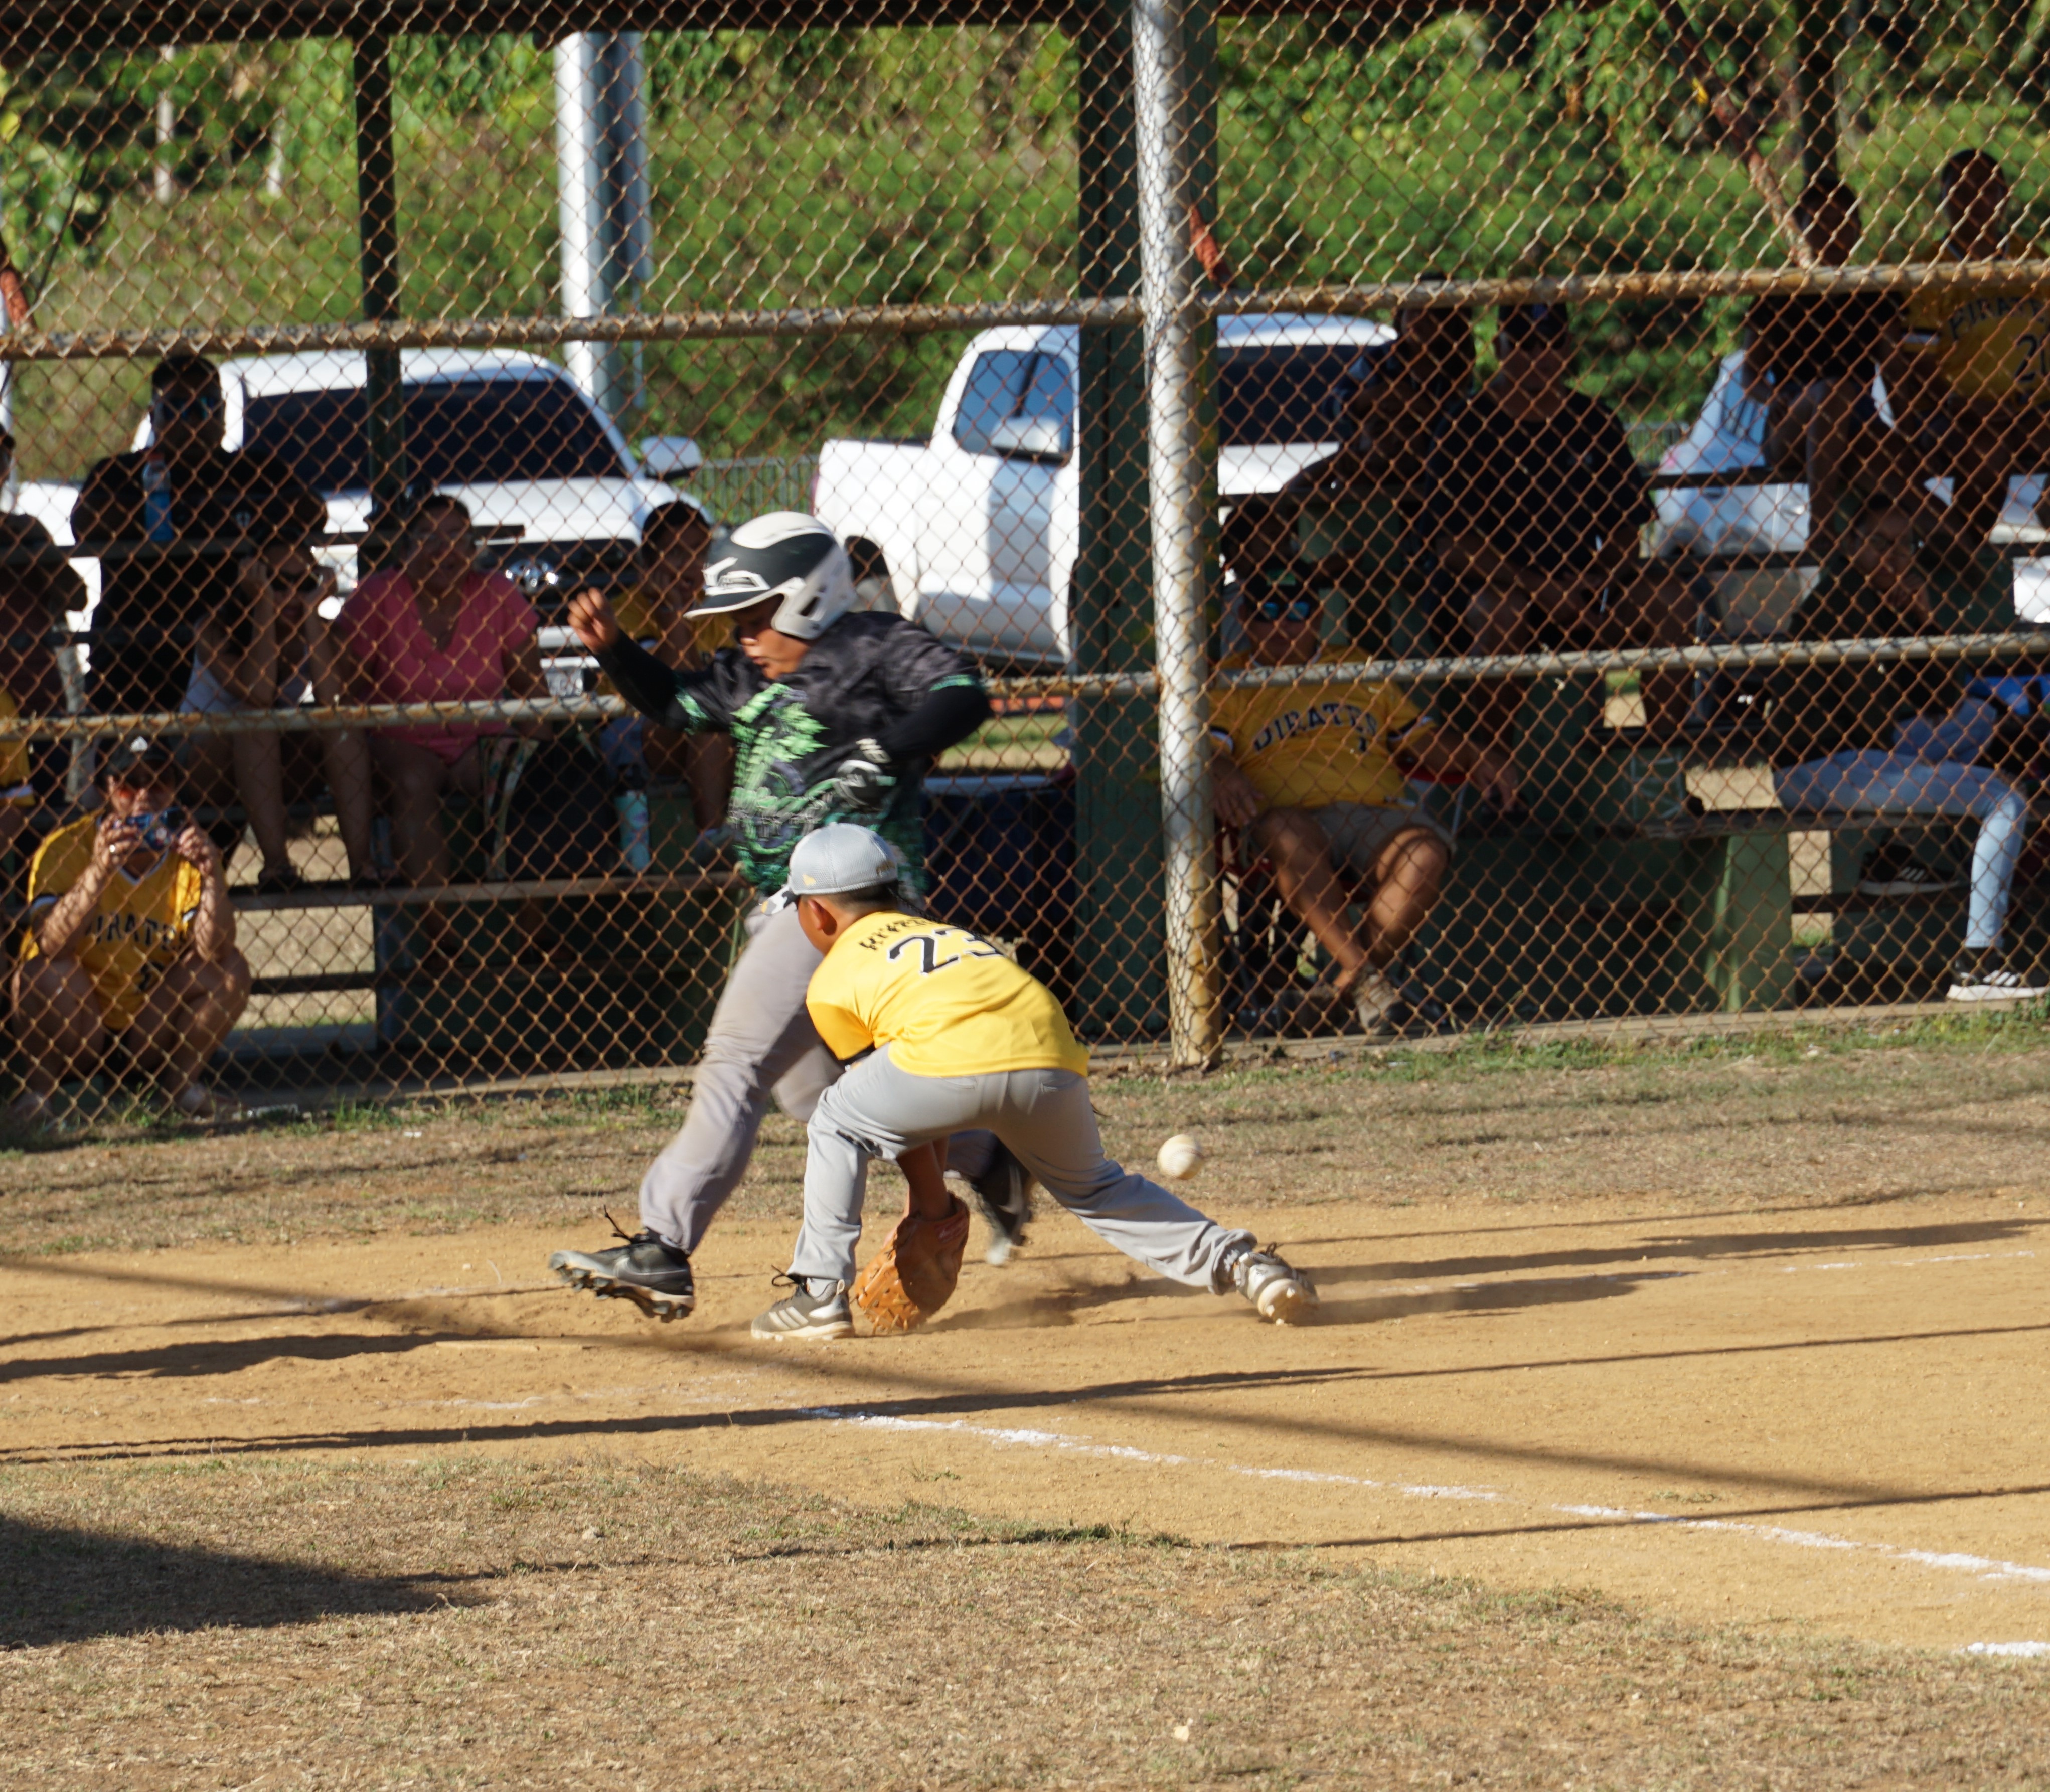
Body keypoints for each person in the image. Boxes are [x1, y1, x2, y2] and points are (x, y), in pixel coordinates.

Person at [546, 512, 1026, 1320]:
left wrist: (890, 748)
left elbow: (960, 696)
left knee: (735, 1058)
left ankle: (663, 1246)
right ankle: (987, 1154)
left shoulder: (871, 645)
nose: (743, 636)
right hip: (788, 910)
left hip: (847, 907)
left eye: (755, 615)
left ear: (808, 599)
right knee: (823, 1096)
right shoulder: (750, 675)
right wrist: (615, 651)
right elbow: (672, 704)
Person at [747, 824, 1319, 1340]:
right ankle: (1246, 1266)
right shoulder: (944, 936)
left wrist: (932, 1211)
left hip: (947, 1062)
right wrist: (931, 1207)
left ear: (817, 915)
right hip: (1049, 1052)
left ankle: (819, 1293)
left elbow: (894, 1111)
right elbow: (913, 1097)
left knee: (833, 1121)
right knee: (1096, 1188)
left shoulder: (831, 981)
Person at [1211, 513, 1516, 1037]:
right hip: (1285, 818)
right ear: (1244, 617)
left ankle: (1345, 987)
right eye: (1268, 612)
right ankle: (1364, 986)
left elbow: (1417, 741)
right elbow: (1205, 749)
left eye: (1299, 609)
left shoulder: (1355, 667)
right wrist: (1217, 771)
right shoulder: (1230, 682)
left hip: (1374, 811)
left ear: (1319, 618)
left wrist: (1474, 754)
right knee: (1288, 833)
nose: (1285, 623)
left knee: (1423, 855)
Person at [1769, 493, 2043, 1004]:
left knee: (1984, 720)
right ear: (1852, 545)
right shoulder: (1842, 600)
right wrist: (1944, 744)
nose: (1893, 557)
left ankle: (1889, 859)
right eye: (1878, 543)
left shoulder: (1883, 599)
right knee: (2002, 797)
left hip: (1861, 757)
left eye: (1903, 545)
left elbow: (1939, 701)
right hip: (1821, 766)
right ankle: (1977, 964)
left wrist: (1921, 621)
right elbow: (1875, 719)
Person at [1427, 302, 1691, 750]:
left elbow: (1627, 529)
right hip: (1494, 595)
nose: (1538, 355)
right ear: (1499, 349)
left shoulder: (1593, 420)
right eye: (1523, 344)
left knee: (1669, 597)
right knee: (1501, 612)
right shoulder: (1464, 424)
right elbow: (1452, 544)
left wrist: (1593, 581)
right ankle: (1495, 777)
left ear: (1567, 347)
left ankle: (1662, 770)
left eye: (1549, 342)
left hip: (1580, 592)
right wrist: (1537, 587)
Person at [10, 734, 249, 1127]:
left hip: (148, 1026)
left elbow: (216, 949)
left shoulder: (187, 851)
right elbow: (50, 943)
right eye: (128, 784)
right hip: (81, 1021)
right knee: (41, 971)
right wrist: (100, 871)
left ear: (174, 789)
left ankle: (178, 1090)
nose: (144, 797)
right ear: (108, 789)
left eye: (158, 783)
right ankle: (41, 1096)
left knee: (232, 969)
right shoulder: (68, 846)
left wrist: (212, 879)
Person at [329, 493, 544, 898]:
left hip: (481, 739)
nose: (443, 549)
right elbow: (339, 688)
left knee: (526, 776)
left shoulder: (497, 593)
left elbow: (532, 689)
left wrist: (544, 751)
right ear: (407, 547)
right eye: (427, 537)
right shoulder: (379, 595)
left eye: (456, 537)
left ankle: (533, 926)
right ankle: (439, 936)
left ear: (472, 548)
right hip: (401, 738)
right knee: (413, 782)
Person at [73, 352, 307, 715]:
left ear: (223, 411)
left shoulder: (253, 470)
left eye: (206, 405)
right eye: (178, 407)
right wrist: (153, 510)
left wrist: (229, 510)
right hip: (134, 653)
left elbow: (312, 512)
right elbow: (84, 523)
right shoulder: (123, 473)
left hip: (229, 651)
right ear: (155, 415)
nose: (194, 420)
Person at [180, 480, 378, 891]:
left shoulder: (317, 630)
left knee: (340, 724)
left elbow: (330, 699)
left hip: (268, 766)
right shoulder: (215, 628)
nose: (290, 593)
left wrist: (311, 611)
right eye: (277, 581)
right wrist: (266, 605)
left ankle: (363, 864)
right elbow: (259, 692)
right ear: (253, 578)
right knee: (257, 720)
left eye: (301, 582)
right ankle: (277, 866)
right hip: (206, 763)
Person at [1893, 150, 2050, 557]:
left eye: (1985, 190)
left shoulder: (2031, 261)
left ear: (2003, 197)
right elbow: (1918, 363)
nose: (1973, 201)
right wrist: (1956, 406)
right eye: (1960, 191)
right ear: (1944, 199)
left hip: (2033, 407)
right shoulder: (1931, 269)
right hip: (1962, 409)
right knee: (1986, 455)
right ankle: (1964, 558)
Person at [1743, 172, 1904, 563]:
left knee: (1904, 485)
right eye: (1820, 222)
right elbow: (1749, 372)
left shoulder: (1871, 291)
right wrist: (1772, 395)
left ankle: (1964, 560)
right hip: (1794, 423)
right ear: (1799, 228)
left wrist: (1907, 424)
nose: (1831, 232)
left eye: (1841, 222)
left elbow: (1897, 370)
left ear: (1856, 230)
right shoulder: (1780, 291)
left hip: (1856, 425)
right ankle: (1821, 520)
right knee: (1833, 389)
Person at [602, 499, 732, 842]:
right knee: (705, 713)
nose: (689, 564)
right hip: (637, 728)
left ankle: (713, 840)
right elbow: (671, 689)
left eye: (698, 551)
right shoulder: (624, 611)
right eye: (675, 553)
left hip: (703, 730)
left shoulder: (718, 610)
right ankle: (712, 838)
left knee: (711, 719)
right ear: (648, 561)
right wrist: (671, 613)